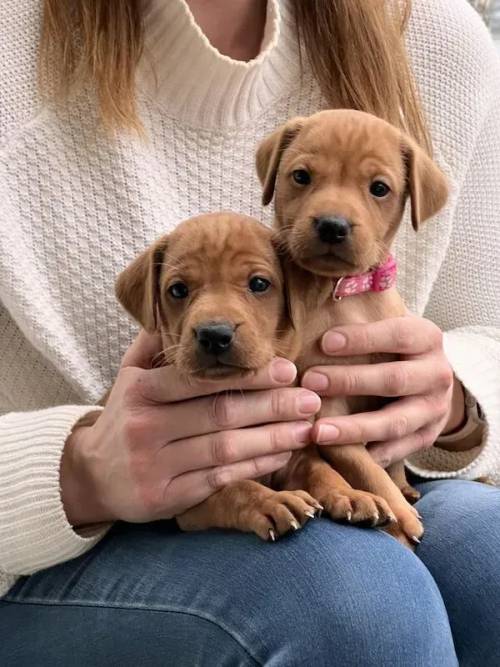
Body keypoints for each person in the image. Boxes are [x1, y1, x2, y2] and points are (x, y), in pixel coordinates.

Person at [1, 0, 499, 664]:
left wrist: (457, 402)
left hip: (349, 469)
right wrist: (79, 471)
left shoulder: (440, 38)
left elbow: (490, 329)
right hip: (48, 552)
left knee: (489, 560)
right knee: (354, 605)